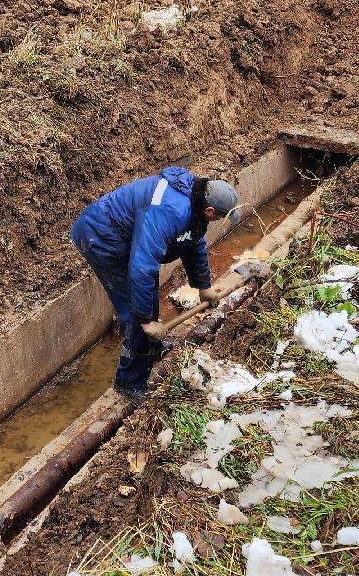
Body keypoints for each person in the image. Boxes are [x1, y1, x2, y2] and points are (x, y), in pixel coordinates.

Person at [71, 167, 239, 404]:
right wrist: (147, 321)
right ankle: (128, 381)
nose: (218, 221)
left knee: (146, 303)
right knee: (138, 309)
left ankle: (150, 347)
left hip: (122, 234)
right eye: (219, 217)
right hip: (100, 236)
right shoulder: (171, 210)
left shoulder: (195, 200)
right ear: (210, 210)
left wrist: (204, 286)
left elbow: (194, 243)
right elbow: (141, 268)